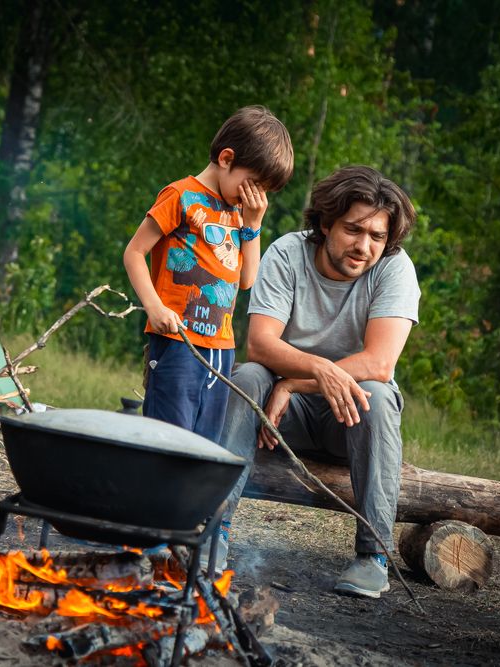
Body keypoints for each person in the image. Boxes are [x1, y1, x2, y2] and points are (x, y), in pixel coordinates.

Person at [217, 165, 420, 596]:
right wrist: (305, 376)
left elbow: (379, 363)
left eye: (377, 236)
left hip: (347, 422)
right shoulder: (288, 253)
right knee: (249, 376)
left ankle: (372, 557)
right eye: (353, 230)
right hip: (277, 418)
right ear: (326, 223)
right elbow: (261, 345)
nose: (364, 246)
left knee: (378, 395)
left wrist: (295, 382)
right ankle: (212, 531)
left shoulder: (394, 269)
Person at [123, 105, 294, 443]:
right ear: (227, 158)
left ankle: (187, 498)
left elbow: (247, 280)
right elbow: (133, 253)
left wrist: (253, 224)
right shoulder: (180, 195)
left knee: (205, 442)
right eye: (254, 184)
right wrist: (154, 307)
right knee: (168, 437)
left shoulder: (238, 213)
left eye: (264, 192)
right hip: (177, 341)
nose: (256, 197)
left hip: (221, 347)